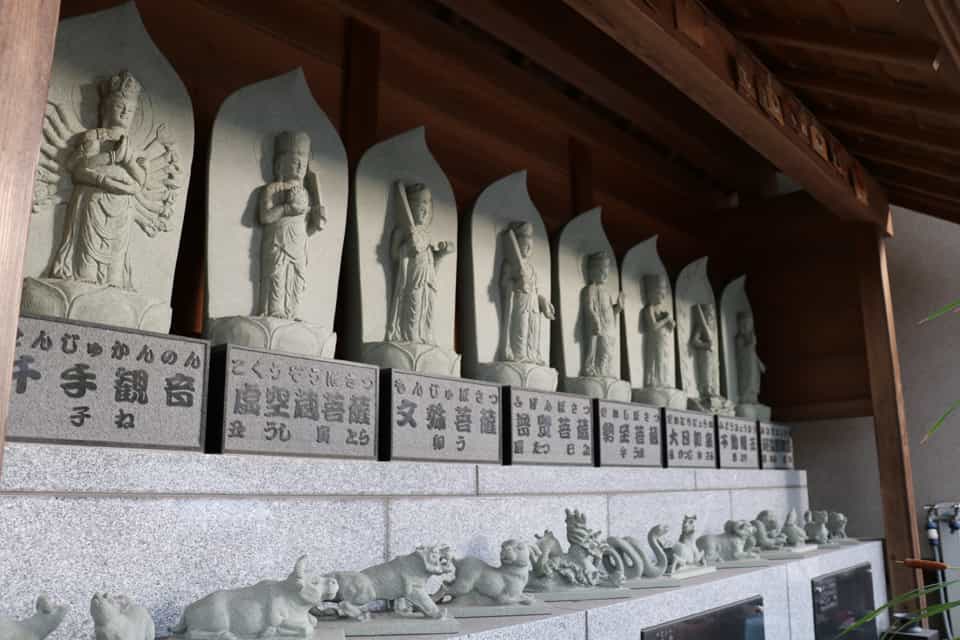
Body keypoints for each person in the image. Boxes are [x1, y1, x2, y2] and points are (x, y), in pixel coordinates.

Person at [52, 71, 151, 288]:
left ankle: (114, 285)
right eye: (119, 106)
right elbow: (79, 169)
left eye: (130, 109)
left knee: (116, 258)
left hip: (123, 205)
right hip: (93, 199)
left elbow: (141, 180)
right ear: (106, 107)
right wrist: (113, 157)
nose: (125, 112)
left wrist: (128, 159)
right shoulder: (94, 137)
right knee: (87, 256)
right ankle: (82, 282)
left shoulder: (134, 147)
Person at [258, 130, 324, 319]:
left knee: (298, 277)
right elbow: (265, 217)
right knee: (277, 274)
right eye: (295, 161)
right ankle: (274, 309)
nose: (300, 166)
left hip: (298, 244)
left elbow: (306, 229)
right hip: (278, 241)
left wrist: (316, 222)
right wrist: (287, 209)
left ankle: (293, 311)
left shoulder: (307, 194)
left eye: (303, 162)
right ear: (280, 164)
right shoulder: (273, 188)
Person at [386, 182, 454, 344]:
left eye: (427, 205)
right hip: (413, 276)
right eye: (420, 205)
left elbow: (431, 257)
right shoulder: (402, 231)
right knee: (413, 304)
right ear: (410, 207)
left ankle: (425, 335)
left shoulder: (426, 233)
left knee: (428, 306)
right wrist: (407, 248)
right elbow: (394, 255)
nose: (425, 210)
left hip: (428, 277)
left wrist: (441, 253)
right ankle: (410, 335)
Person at [499, 221, 554, 364]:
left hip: (533, 305)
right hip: (520, 302)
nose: (528, 249)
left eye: (530, 246)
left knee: (533, 330)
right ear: (517, 245)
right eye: (525, 246)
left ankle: (532, 355)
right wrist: (516, 283)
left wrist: (542, 301)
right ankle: (520, 355)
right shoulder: (510, 264)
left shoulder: (530, 268)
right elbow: (504, 283)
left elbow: (534, 291)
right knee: (521, 329)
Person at [580, 252, 623, 377]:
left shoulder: (606, 292)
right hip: (598, 325)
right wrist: (594, 319)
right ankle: (595, 370)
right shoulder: (590, 289)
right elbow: (588, 307)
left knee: (608, 351)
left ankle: (605, 371)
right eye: (601, 269)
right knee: (600, 349)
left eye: (606, 270)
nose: (605, 273)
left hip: (609, 327)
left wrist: (618, 307)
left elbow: (611, 311)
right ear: (592, 271)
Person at [641, 274, 675, 388]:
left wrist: (671, 322)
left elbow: (671, 327)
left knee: (664, 360)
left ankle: (663, 380)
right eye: (659, 292)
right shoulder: (649, 308)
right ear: (651, 293)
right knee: (656, 360)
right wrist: (666, 319)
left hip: (663, 339)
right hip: (654, 339)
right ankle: (656, 380)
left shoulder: (661, 310)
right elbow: (653, 327)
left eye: (663, 291)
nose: (662, 294)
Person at [735, 311, 766, 403]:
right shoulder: (739, 338)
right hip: (745, 365)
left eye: (748, 324)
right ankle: (745, 397)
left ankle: (753, 397)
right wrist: (750, 344)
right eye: (743, 324)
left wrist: (759, 363)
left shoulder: (751, 338)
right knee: (747, 380)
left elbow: (753, 353)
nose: (745, 327)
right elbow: (742, 351)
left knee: (754, 380)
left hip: (753, 364)